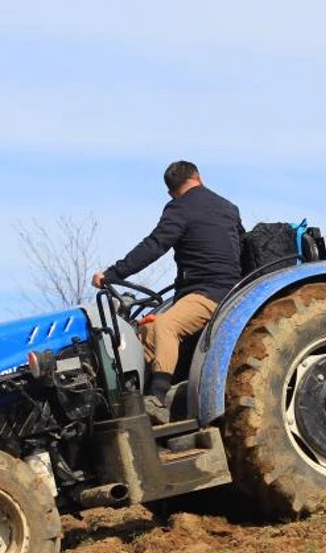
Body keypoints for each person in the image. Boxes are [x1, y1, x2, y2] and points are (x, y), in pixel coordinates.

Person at [92, 160, 244, 422]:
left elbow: (154, 246)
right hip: (227, 289)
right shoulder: (228, 207)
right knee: (145, 332)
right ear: (199, 177)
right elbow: (241, 246)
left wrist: (112, 274)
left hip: (209, 294)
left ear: (171, 191)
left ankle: (157, 398)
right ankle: (128, 402)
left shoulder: (180, 207)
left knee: (164, 325)